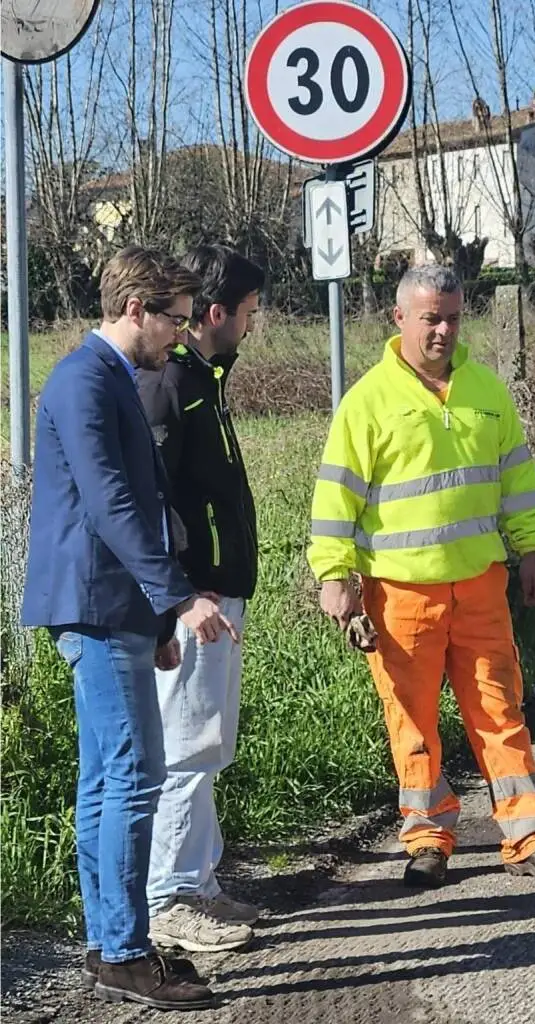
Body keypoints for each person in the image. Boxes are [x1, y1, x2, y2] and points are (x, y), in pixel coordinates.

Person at [307, 264, 535, 888]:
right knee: (413, 722)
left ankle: (529, 836)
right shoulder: (368, 401)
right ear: (399, 318)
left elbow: (516, 480)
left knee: (500, 712)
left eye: (453, 316)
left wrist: (532, 552)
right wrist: (335, 576)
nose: (444, 329)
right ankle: (427, 839)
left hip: (481, 586)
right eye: (431, 317)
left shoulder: (486, 390)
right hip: (399, 593)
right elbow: (335, 499)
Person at [21, 246, 239, 1010]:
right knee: (136, 774)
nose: (181, 335)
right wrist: (178, 599)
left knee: (105, 779)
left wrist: (157, 617)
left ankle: (108, 940)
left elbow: (133, 505)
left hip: (117, 607)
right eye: (174, 320)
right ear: (136, 309)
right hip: (94, 602)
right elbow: (112, 502)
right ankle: (124, 948)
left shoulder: (110, 377)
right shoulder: (84, 380)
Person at [137, 245, 264, 952]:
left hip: (216, 593)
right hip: (195, 599)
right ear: (214, 313)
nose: (252, 325)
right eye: (246, 313)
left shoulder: (203, 380)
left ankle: (200, 884)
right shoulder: (171, 386)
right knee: (185, 746)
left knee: (207, 742)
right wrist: (182, 590)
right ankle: (169, 899)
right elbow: (153, 499)